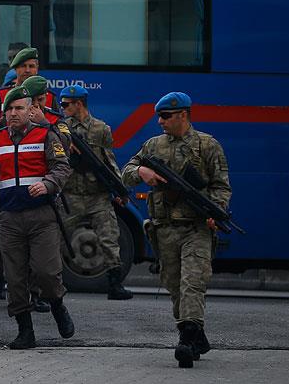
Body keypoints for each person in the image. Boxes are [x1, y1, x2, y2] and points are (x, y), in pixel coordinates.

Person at [121, 91, 231, 369]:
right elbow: (127, 171)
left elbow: (220, 186)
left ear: (183, 115)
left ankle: (186, 339)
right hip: (164, 228)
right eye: (159, 116)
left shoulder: (207, 145)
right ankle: (197, 338)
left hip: (196, 228)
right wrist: (142, 173)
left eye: (166, 116)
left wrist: (214, 211)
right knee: (174, 286)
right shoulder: (153, 146)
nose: (160, 121)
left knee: (192, 283)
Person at [0, 87, 75, 350]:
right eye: (9, 109)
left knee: (47, 273)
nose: (14, 113)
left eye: (19, 108)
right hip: (9, 217)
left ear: (30, 110)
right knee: (15, 278)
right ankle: (24, 331)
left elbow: (62, 167)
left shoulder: (45, 135)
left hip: (42, 216)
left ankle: (57, 305)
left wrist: (48, 184)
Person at [60, 85, 132, 300]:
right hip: (71, 195)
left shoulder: (101, 129)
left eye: (66, 104)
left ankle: (114, 284)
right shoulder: (62, 128)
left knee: (109, 237)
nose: (62, 108)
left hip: (97, 196)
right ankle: (48, 287)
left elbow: (108, 161)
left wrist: (119, 188)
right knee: (55, 237)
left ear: (79, 104)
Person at [0, 47, 57, 121]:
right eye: (23, 66)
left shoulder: (50, 97)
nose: (27, 70)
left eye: (31, 66)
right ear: (15, 69)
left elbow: (58, 126)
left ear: (37, 68)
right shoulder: (0, 96)